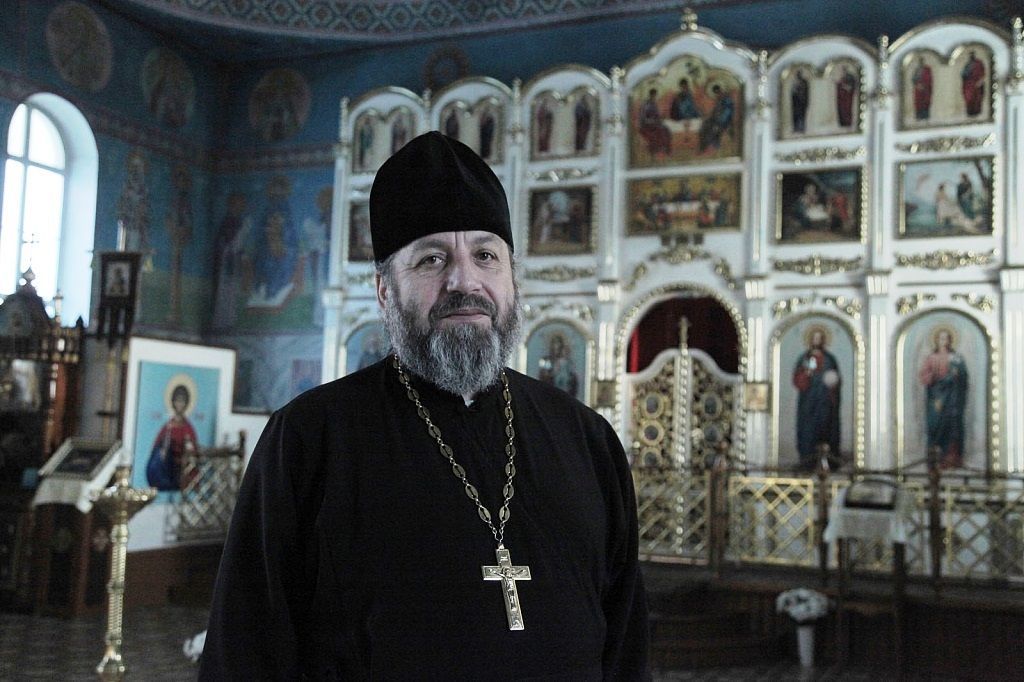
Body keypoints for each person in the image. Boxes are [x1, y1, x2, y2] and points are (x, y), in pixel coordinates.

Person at [201, 131, 650, 679]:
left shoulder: (586, 439)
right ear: (384, 290)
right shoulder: (308, 439)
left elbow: (625, 648)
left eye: (486, 255)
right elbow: (246, 651)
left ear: (513, 278)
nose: (465, 281)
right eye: (432, 259)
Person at [792, 327, 841, 470]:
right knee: (808, 430)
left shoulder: (830, 359)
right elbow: (798, 380)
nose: (817, 341)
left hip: (826, 402)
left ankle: (829, 463)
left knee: (827, 429)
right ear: (810, 340)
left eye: (819, 338)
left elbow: (836, 379)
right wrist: (805, 374)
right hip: (809, 402)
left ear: (823, 340)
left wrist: (833, 383)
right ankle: (807, 462)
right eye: (814, 338)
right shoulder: (805, 358)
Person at [919, 327, 968, 469]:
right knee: (935, 427)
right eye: (941, 338)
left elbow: (964, 377)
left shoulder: (957, 358)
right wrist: (935, 378)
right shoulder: (931, 358)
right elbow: (924, 376)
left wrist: (958, 374)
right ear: (936, 340)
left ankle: (952, 460)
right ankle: (935, 461)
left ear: (950, 340)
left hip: (953, 400)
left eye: (946, 338)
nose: (944, 341)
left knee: (952, 427)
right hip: (937, 399)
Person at [146, 383, 198, 492]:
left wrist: (189, 447)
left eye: (182, 401)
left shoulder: (188, 428)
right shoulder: (168, 426)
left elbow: (193, 450)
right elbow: (157, 446)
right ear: (173, 402)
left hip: (182, 466)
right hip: (167, 465)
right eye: (177, 401)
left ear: (186, 404)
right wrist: (162, 450)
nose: (180, 404)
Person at [961, 50, 986, 117]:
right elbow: (964, 74)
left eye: (972, 55)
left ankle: (976, 112)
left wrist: (980, 81)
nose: (971, 56)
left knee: (976, 98)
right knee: (969, 98)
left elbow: (982, 73)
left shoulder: (979, 63)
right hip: (968, 85)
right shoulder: (968, 64)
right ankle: (970, 112)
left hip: (976, 84)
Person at [912, 57, 933, 121]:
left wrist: (925, 85)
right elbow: (913, 79)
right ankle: (919, 116)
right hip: (918, 89)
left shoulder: (927, 69)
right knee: (919, 103)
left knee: (925, 102)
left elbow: (929, 78)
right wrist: (918, 85)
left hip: (926, 89)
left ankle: (925, 116)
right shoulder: (917, 70)